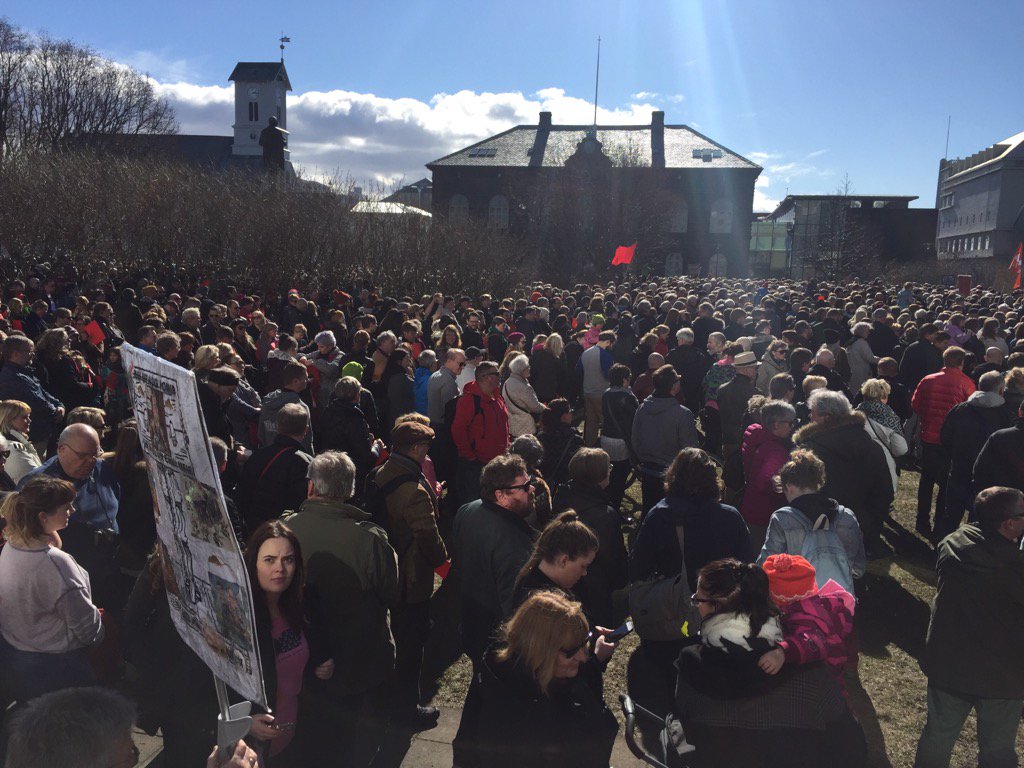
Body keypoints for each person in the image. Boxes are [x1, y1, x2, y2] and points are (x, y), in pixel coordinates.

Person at [675, 558, 865, 768]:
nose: (695, 605)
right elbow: (853, 751)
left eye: (697, 600)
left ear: (715, 607)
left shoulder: (690, 666)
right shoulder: (811, 673)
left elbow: (686, 732)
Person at [282, 451, 398, 766]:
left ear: (311, 488)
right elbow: (390, 591)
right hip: (357, 663)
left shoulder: (283, 531)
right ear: (349, 490)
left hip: (297, 662)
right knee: (348, 744)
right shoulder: (368, 538)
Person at [915, 487, 1024, 768]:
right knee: (998, 749)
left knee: (937, 736)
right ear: (1009, 524)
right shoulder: (1014, 568)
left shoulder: (953, 543)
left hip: (948, 662)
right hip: (1002, 676)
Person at [453, 590, 619, 768]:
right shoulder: (519, 722)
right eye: (572, 651)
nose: (583, 657)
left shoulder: (512, 672)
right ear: (541, 651)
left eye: (584, 643)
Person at [0, 476, 104, 702]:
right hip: (59, 668)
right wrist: (99, 634)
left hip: (18, 659)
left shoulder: (11, 546)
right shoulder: (56, 565)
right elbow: (86, 626)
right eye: (66, 507)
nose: (72, 511)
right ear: (43, 517)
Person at [372, 421, 447, 727]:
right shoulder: (414, 490)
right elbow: (428, 537)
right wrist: (444, 563)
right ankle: (406, 710)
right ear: (417, 448)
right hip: (411, 577)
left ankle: (384, 700)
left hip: (386, 570)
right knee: (410, 647)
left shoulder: (382, 473)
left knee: (392, 640)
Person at [244, 521, 334, 764]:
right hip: (253, 750)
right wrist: (245, 723)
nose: (280, 569)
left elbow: (311, 652)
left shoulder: (302, 602)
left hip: (294, 740)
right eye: (269, 560)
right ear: (253, 563)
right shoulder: (240, 617)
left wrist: (322, 667)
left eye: (288, 560)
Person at [20, 423, 122, 607]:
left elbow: (116, 497)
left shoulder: (101, 468)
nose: (91, 461)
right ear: (62, 450)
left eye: (95, 453)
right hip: (72, 577)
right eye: (83, 456)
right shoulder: (38, 486)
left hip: (110, 562)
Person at [452, 453, 538, 661]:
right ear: (500, 495)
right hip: (495, 637)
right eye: (525, 487)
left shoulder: (467, 510)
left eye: (530, 482)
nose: (532, 489)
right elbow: (514, 604)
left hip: (470, 620)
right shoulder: (512, 540)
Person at [794, 389, 893, 559]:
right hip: (862, 525)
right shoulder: (871, 446)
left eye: (813, 413)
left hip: (822, 529)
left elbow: (802, 493)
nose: (810, 417)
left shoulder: (810, 450)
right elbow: (885, 490)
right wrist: (870, 525)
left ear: (827, 417)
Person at [758, 450, 865, 595]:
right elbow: (858, 569)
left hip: (799, 602)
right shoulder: (846, 516)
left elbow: (766, 565)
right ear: (817, 483)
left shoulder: (782, 519)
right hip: (840, 601)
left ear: (789, 486)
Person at [550, 448, 629, 628]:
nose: (610, 470)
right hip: (593, 587)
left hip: (562, 578)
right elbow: (612, 558)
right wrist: (621, 580)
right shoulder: (605, 515)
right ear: (599, 475)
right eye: (608, 467)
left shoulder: (561, 495)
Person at [758, 554, 856, 696]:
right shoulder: (811, 603)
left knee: (832, 703)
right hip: (823, 670)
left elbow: (813, 641)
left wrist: (782, 652)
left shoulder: (806, 617)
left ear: (780, 597)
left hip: (823, 675)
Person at [937, 370, 1010, 540]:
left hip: (958, 469)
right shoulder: (1004, 415)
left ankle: (942, 547)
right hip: (986, 476)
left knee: (951, 515)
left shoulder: (960, 409)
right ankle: (968, 553)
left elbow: (945, 436)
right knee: (977, 519)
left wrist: (955, 454)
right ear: (1001, 390)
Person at [911, 346, 975, 537]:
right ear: (961, 363)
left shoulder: (928, 380)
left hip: (928, 436)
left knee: (927, 479)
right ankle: (940, 520)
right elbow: (969, 411)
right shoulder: (967, 383)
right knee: (945, 482)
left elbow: (916, 404)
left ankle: (921, 519)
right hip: (950, 441)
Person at [631, 365, 700, 515]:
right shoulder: (682, 414)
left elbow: (635, 439)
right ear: (674, 386)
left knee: (649, 513)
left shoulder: (642, 408)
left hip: (648, 471)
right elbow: (690, 450)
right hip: (673, 476)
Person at [236, 403, 313, 535]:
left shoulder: (258, 455)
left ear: (278, 427)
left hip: (254, 528)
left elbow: (243, 491)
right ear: (305, 430)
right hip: (284, 531)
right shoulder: (306, 463)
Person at [512, 510, 599, 610]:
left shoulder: (530, 580)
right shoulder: (544, 604)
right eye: (583, 566)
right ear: (564, 560)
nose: (584, 573)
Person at [451, 361, 510, 506]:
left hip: (497, 459)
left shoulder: (497, 397)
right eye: (496, 373)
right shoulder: (469, 400)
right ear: (485, 377)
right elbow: (458, 429)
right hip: (477, 463)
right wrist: (469, 455)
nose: (500, 376)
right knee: (475, 501)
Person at [739, 400, 795, 551]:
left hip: (749, 505)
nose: (792, 427)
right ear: (776, 424)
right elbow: (768, 484)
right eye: (790, 423)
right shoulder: (775, 451)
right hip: (764, 514)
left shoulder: (755, 437)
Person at [0, 335, 65, 454]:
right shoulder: (12, 377)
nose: (33, 354)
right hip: (33, 435)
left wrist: (60, 405)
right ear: (16, 354)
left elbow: (43, 393)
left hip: (41, 432)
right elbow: (36, 401)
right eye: (29, 351)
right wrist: (55, 411)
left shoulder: (25, 372)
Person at [856, 378, 908, 495]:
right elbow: (901, 449)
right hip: (883, 466)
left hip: (858, 467)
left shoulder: (853, 416)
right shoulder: (890, 417)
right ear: (883, 397)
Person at [599, 363, 638, 512]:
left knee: (608, 474)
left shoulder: (606, 393)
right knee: (620, 477)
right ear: (624, 379)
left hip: (606, 437)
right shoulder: (628, 397)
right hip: (621, 440)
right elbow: (635, 417)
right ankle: (614, 507)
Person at [259, 361, 313, 453]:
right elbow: (307, 440)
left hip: (270, 456)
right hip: (294, 459)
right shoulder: (300, 408)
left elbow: (261, 434)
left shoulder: (267, 402)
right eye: (306, 378)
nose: (307, 381)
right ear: (296, 381)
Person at [972, 400, 1024, 494]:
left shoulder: (999, 437)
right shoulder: (999, 437)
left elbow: (980, 470)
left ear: (1020, 412)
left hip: (1003, 499)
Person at [578, 329, 615, 446]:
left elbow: (578, 371)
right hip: (601, 392)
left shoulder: (586, 352)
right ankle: (606, 445)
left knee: (591, 422)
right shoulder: (605, 355)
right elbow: (609, 375)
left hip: (587, 391)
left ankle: (589, 444)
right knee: (606, 421)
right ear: (608, 342)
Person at [536, 397, 583, 490]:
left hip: (543, 483)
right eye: (570, 411)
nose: (571, 414)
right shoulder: (574, 439)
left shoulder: (541, 436)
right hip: (565, 486)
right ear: (563, 416)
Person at [502, 353, 545, 438]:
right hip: (526, 424)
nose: (530, 368)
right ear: (522, 370)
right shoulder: (523, 386)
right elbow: (535, 407)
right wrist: (547, 408)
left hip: (513, 421)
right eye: (527, 367)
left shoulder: (508, 382)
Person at [0, 399, 43, 483]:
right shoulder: (13, 448)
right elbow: (32, 481)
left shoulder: (17, 442)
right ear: (9, 420)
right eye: (24, 417)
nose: (29, 420)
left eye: (29, 416)